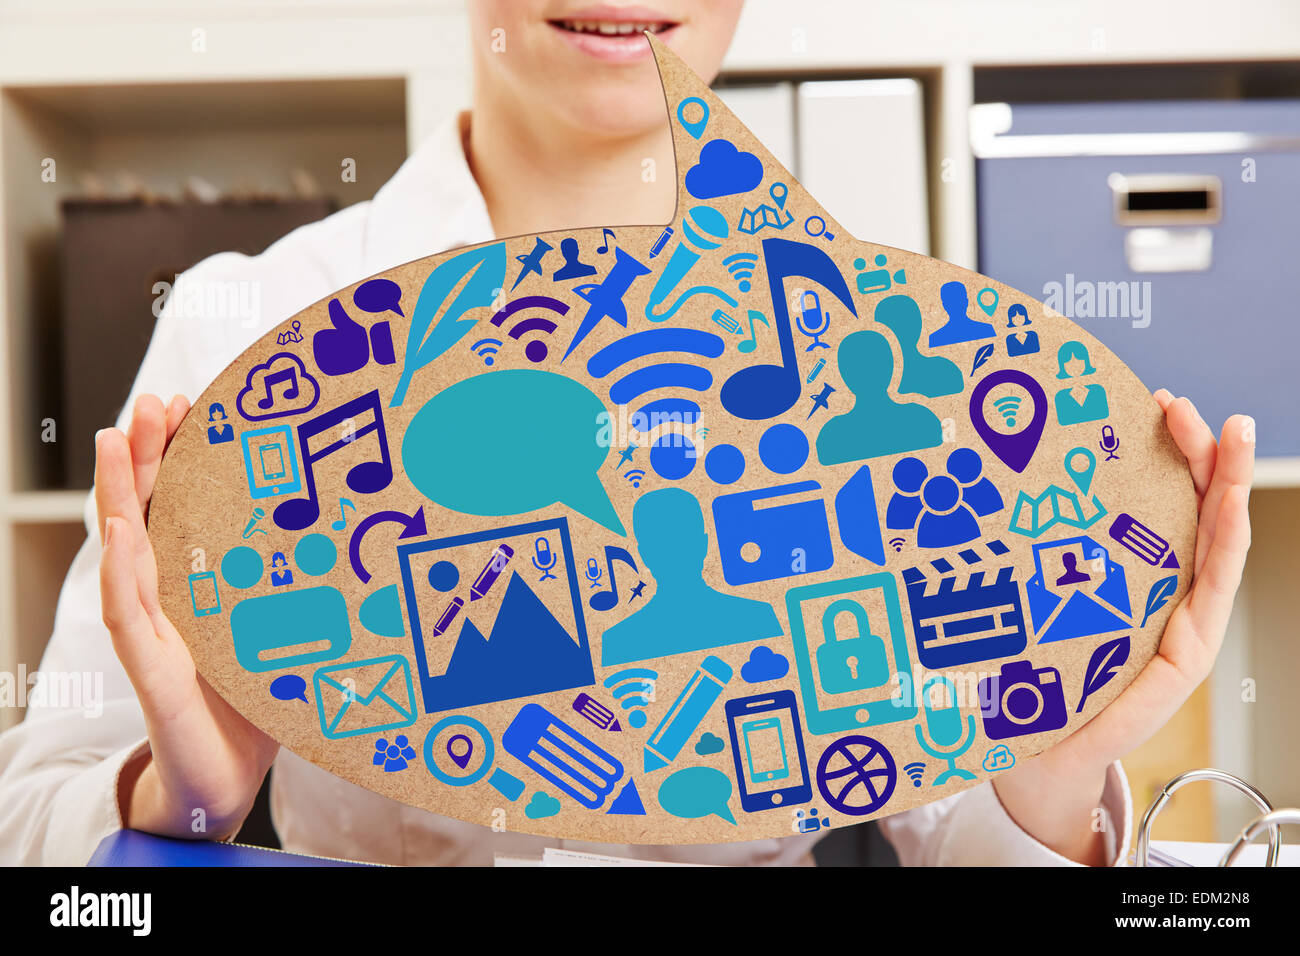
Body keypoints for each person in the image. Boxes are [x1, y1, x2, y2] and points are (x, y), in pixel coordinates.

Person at [0, 2, 1255, 867]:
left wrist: (1047, 779)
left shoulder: (907, 344)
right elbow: (37, 832)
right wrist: (188, 795)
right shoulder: (259, 336)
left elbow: (948, 827)